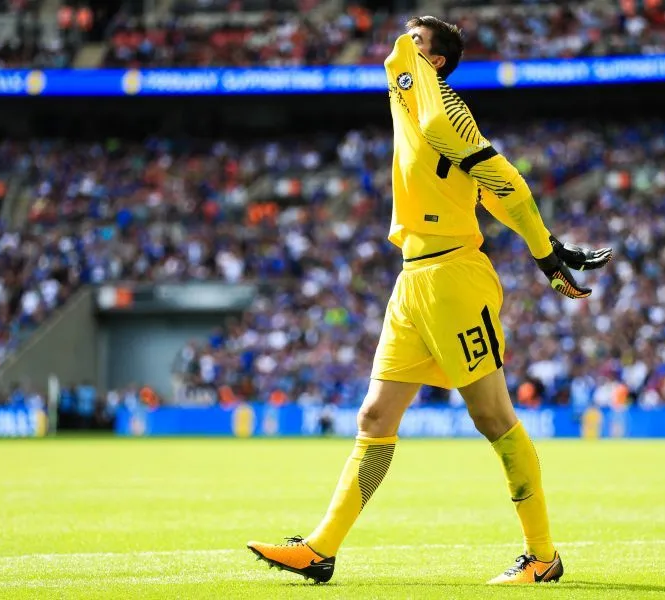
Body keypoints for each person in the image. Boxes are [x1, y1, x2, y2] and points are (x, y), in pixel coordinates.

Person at [247, 15, 611, 585]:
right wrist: (548, 243)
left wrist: (545, 254)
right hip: (412, 279)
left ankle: (542, 557)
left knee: (492, 417)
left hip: (453, 278)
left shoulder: (449, 112)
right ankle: (320, 551)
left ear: (436, 61)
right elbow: (486, 188)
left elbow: (508, 184)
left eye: (418, 40)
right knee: (374, 416)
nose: (404, 44)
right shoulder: (419, 105)